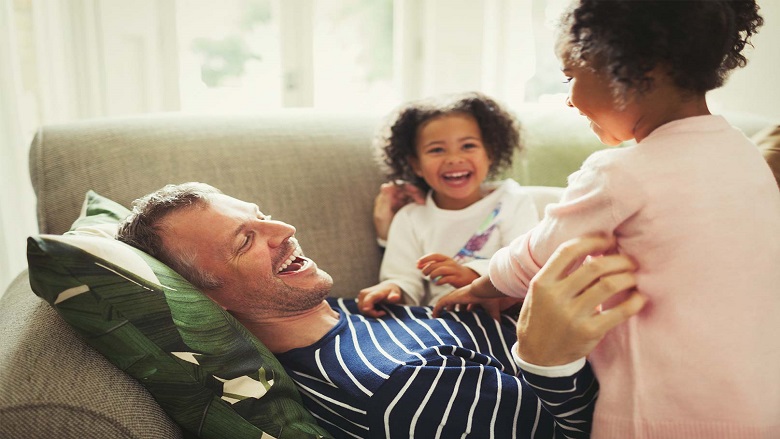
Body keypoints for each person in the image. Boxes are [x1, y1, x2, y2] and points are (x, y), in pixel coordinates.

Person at [435, 1, 780, 437]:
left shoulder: (619, 173)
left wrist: (480, 284)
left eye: (571, 76)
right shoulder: (746, 156)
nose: (569, 98)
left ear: (639, 69)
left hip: (657, 415)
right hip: (761, 405)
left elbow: (539, 254)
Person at [116, 182, 643, 438]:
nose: (285, 231)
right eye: (245, 240)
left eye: (264, 216)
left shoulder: (357, 309)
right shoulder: (405, 387)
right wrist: (547, 360)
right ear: (207, 299)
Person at [359, 92, 540, 317]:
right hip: (440, 321)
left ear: (490, 154)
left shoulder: (512, 200)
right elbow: (402, 278)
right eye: (436, 150)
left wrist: (471, 276)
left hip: (503, 318)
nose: (454, 158)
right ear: (416, 164)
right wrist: (392, 290)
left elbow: (524, 265)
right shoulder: (411, 217)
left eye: (468, 145)